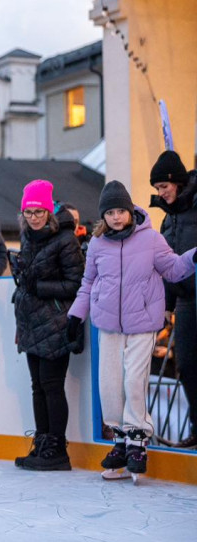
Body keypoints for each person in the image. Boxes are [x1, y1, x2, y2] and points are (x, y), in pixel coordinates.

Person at [67, 181, 196, 479]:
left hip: (142, 323)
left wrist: (192, 257)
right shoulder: (98, 244)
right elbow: (87, 285)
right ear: (104, 216)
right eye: (110, 212)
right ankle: (120, 441)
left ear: (129, 210)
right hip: (108, 324)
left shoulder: (150, 239)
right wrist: (75, 316)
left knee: (134, 380)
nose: (116, 217)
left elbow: (173, 269)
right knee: (109, 384)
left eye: (120, 211)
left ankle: (138, 439)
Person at [11, 180, 85, 471]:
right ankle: (42, 442)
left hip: (56, 322)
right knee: (37, 386)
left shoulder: (65, 240)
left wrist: (38, 285)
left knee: (52, 386)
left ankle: (57, 448)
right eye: (28, 212)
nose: (33, 217)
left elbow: (76, 283)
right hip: (31, 321)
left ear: (49, 210)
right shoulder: (27, 237)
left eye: (39, 211)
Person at [148, 150, 197, 448]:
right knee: (188, 366)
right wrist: (166, 305)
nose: (160, 193)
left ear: (177, 183)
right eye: (157, 189)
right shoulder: (169, 220)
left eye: (163, 187)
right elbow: (166, 264)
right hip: (185, 300)